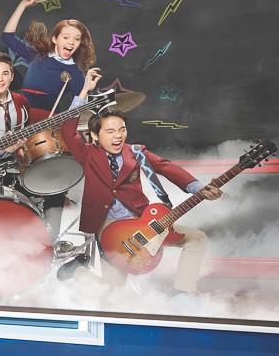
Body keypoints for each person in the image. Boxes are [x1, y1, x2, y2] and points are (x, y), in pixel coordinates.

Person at [58, 71, 220, 293]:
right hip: (106, 226)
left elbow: (165, 166)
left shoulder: (136, 152)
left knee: (196, 239)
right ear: (95, 136)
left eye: (122, 130)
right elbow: (67, 131)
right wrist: (84, 92)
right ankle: (79, 271)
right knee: (111, 293)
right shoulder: (87, 154)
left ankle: (184, 293)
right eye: (110, 131)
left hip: (141, 220)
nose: (118, 136)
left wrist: (198, 188)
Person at [2, 0, 96, 117]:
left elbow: (76, 113)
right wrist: (22, 5)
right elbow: (7, 37)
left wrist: (86, 90)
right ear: (55, 39)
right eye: (66, 37)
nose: (71, 42)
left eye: (77, 39)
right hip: (19, 114)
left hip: (46, 121)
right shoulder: (38, 55)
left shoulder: (76, 72)